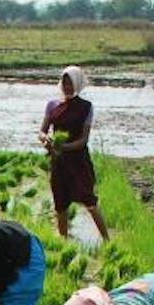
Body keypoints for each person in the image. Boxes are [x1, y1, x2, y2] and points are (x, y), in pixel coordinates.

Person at [38, 66, 108, 242]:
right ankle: (64, 241)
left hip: (78, 162)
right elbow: (42, 131)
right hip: (58, 162)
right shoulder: (53, 105)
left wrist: (64, 147)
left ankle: (107, 240)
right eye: (65, 82)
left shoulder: (86, 107)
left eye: (71, 83)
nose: (67, 86)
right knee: (60, 203)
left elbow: (83, 140)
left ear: (77, 83)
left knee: (89, 201)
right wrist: (46, 140)